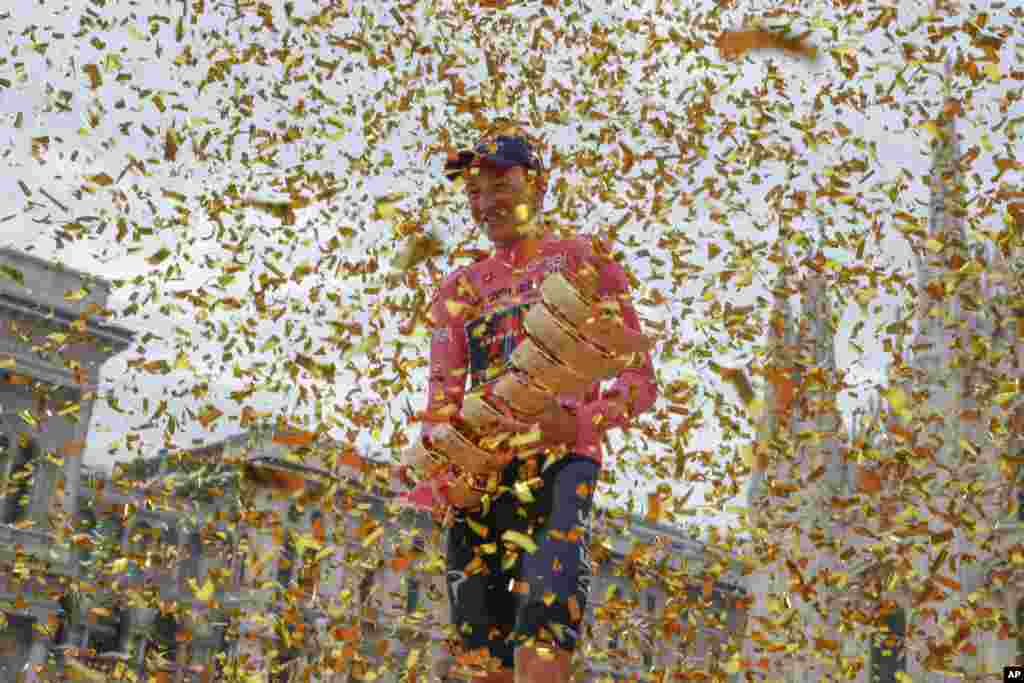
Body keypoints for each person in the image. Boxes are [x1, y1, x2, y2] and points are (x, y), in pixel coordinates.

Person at [398, 121, 657, 683]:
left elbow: (639, 386)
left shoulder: (586, 262)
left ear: (538, 185)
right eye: (473, 191)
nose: (484, 202)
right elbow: (442, 402)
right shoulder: (458, 290)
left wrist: (575, 424)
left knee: (544, 620)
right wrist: (443, 475)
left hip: (561, 470)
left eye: (499, 185)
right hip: (481, 480)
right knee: (480, 648)